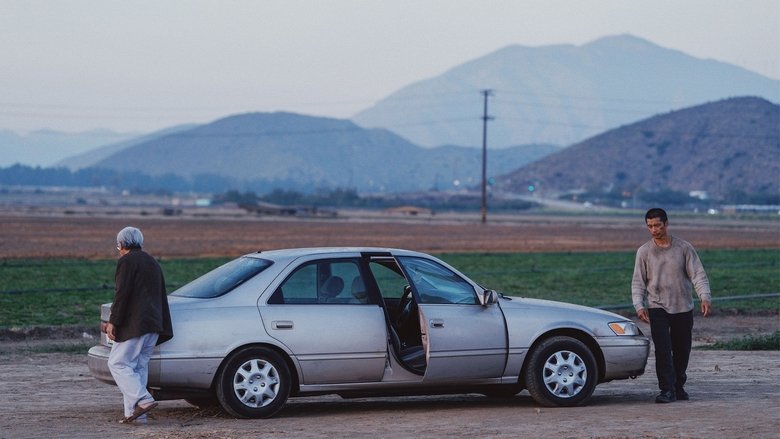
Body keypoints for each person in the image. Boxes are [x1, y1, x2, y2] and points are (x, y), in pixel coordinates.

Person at [632, 208, 712, 403]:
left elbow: (698, 274)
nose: (654, 230)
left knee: (682, 349)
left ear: (666, 224)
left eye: (657, 225)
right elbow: (638, 281)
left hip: (682, 306)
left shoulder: (683, 248)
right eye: (650, 226)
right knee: (663, 349)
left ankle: (678, 386)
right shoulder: (644, 251)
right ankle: (666, 390)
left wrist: (705, 296)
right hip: (657, 306)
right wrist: (639, 305)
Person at [102, 226, 173, 423]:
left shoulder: (126, 261)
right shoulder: (152, 261)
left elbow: (122, 293)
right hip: (154, 324)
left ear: (122, 244)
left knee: (117, 363)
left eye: (118, 246)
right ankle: (136, 416)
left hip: (136, 324)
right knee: (138, 368)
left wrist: (113, 322)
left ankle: (143, 399)